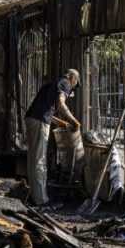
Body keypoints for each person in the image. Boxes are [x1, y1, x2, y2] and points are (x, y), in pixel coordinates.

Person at [24, 69, 81, 205]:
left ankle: (34, 195)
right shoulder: (65, 82)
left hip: (32, 119)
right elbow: (61, 104)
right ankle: (41, 200)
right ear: (73, 78)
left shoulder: (51, 84)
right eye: (75, 84)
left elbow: (47, 111)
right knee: (39, 160)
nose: (72, 87)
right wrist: (74, 121)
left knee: (33, 159)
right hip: (39, 122)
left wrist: (63, 123)